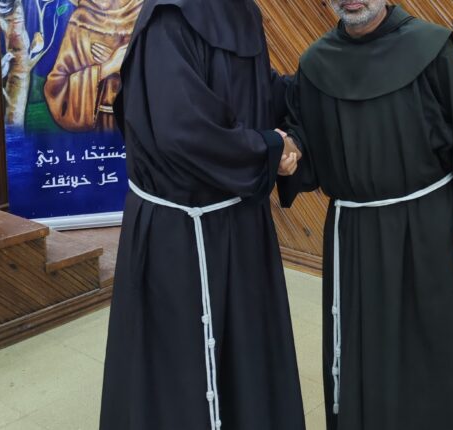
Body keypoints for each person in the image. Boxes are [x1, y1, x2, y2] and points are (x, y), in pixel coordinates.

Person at [279, 2, 453, 429]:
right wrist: (287, 149)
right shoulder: (316, 63)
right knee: (366, 347)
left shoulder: (431, 48)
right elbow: (304, 133)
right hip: (356, 232)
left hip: (429, 226)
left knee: (437, 346)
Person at [99, 0, 304, 429]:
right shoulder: (169, 18)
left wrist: (302, 107)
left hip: (240, 223)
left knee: (246, 363)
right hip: (180, 232)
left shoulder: (242, 10)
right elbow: (184, 130)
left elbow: (252, 90)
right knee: (180, 375)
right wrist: (270, 148)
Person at [44, 0, 143, 132]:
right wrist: (107, 67)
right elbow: (56, 88)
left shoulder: (146, 13)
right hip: (97, 127)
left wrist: (125, 66)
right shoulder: (82, 19)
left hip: (137, 124)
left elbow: (163, 75)